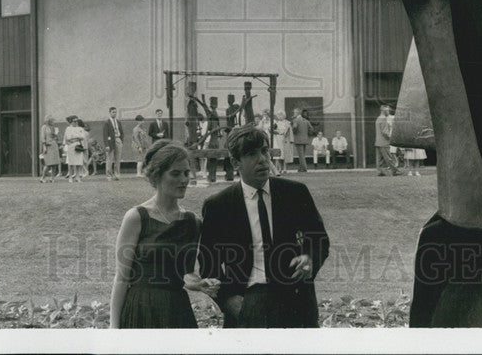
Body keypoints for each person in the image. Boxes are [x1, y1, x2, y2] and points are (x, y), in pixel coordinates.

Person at [199, 125, 330, 328]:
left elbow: (319, 239)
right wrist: (227, 300)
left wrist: (309, 258)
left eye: (264, 151)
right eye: (251, 154)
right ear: (236, 163)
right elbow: (209, 263)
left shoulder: (295, 193)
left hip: (296, 299)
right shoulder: (218, 205)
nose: (262, 159)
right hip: (247, 301)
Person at [110, 141, 219, 328]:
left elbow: (185, 274)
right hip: (140, 308)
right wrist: (114, 327)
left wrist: (199, 284)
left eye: (186, 173)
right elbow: (121, 277)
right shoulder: (136, 217)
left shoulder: (192, 222)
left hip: (176, 310)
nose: (184, 179)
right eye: (175, 173)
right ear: (157, 175)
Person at [374, 105, 400, 176]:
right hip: (384, 142)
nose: (388, 112)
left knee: (380, 159)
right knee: (389, 158)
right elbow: (385, 132)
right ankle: (395, 171)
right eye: (387, 110)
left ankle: (380, 171)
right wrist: (390, 138)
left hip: (378, 142)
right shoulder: (383, 119)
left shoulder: (378, 118)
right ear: (384, 111)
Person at [62, 116, 88, 182]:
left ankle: (77, 177)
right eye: (74, 121)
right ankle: (70, 177)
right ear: (71, 122)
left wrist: (75, 137)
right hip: (71, 146)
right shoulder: (68, 128)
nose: (76, 122)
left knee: (78, 162)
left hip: (78, 145)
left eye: (77, 121)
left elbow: (83, 137)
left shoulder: (80, 128)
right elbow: (67, 137)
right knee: (71, 162)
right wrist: (77, 137)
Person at [40, 115, 61, 182]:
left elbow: (56, 138)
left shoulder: (53, 128)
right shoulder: (44, 127)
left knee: (54, 163)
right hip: (48, 146)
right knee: (48, 163)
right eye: (52, 121)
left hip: (54, 145)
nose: (53, 122)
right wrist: (44, 147)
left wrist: (56, 135)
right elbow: (43, 137)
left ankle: (52, 178)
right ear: (48, 121)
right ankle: (43, 177)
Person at [105, 106, 124, 180]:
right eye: (113, 112)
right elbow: (105, 134)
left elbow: (122, 132)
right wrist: (106, 145)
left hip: (118, 139)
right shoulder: (107, 122)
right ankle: (109, 175)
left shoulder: (118, 122)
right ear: (110, 113)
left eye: (115, 112)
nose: (114, 114)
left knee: (118, 159)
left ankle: (117, 174)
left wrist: (121, 141)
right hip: (110, 142)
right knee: (110, 159)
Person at [271, 111, 292, 175]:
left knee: (284, 154)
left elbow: (285, 131)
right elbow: (272, 130)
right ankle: (279, 168)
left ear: (284, 116)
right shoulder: (276, 123)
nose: (280, 116)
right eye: (278, 115)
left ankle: (285, 169)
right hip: (277, 139)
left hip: (284, 140)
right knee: (278, 154)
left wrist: (278, 132)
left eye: (281, 115)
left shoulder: (287, 122)